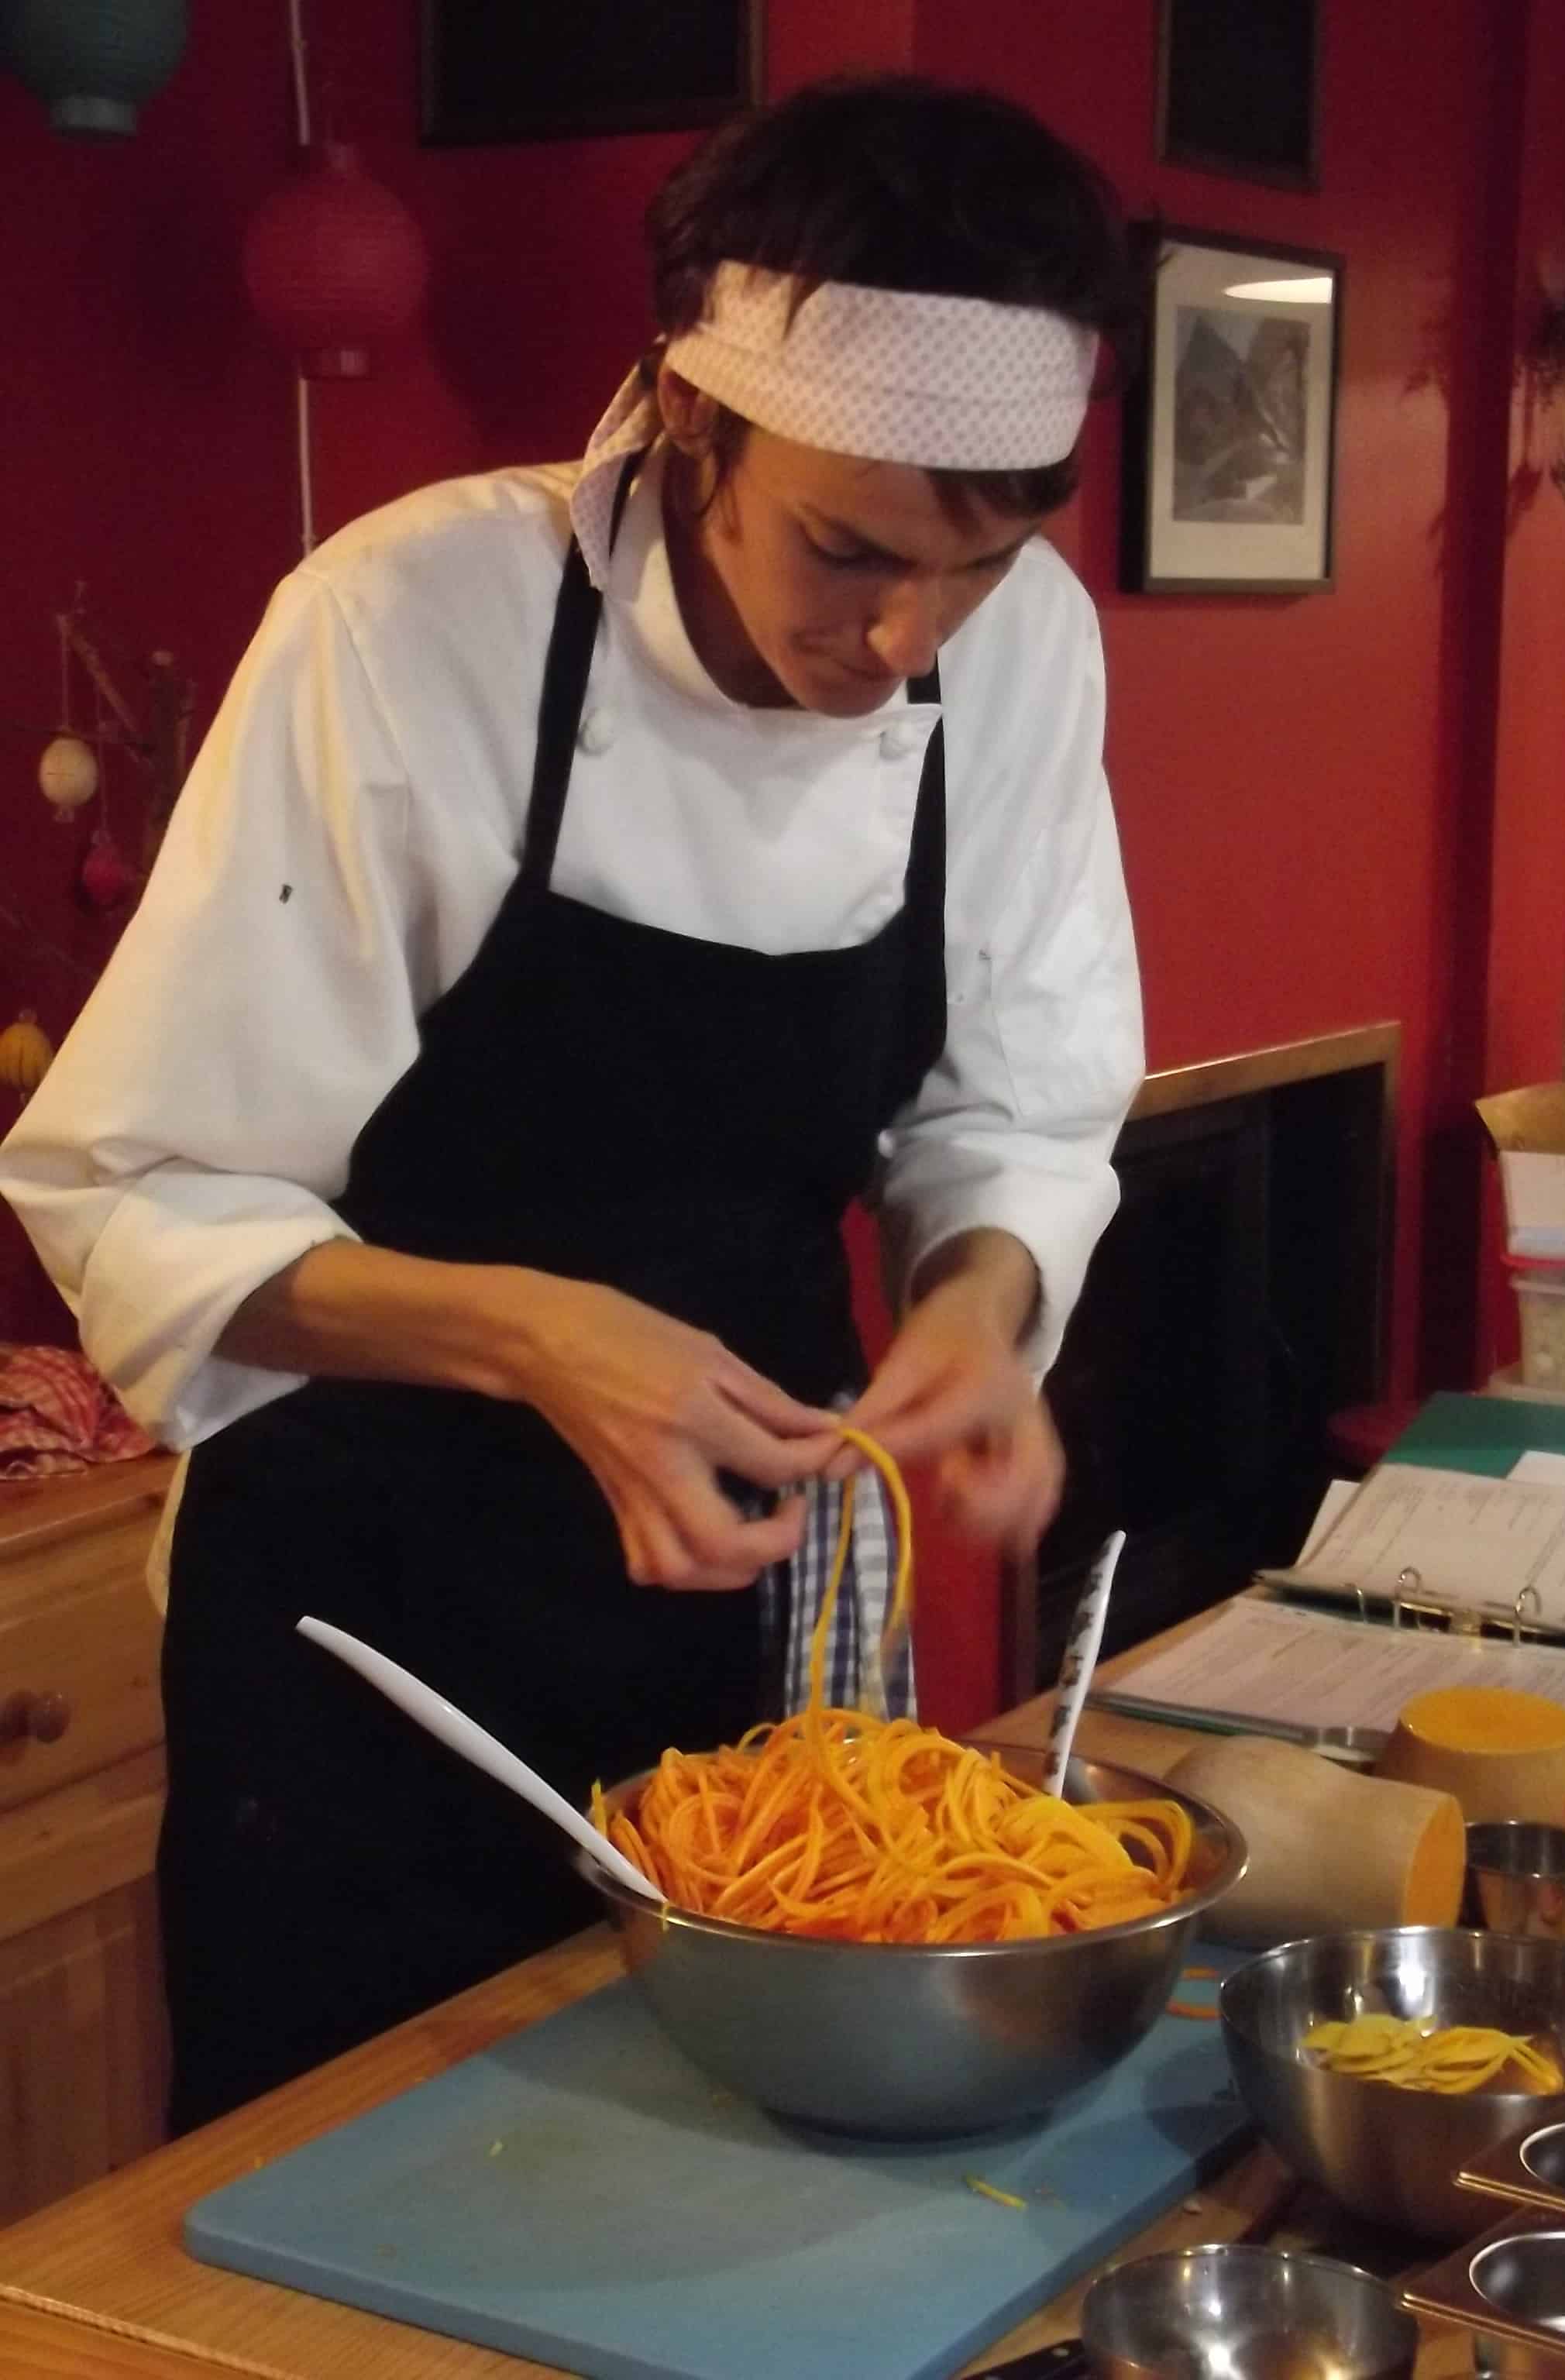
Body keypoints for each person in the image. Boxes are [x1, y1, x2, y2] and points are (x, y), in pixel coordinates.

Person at [0, 73, 1144, 2131]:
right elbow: (136, 1188)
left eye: (977, 566)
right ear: (692, 414)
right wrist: (539, 1336)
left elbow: (1021, 1107)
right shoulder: (412, 622)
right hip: (370, 1615)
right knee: (354, 2192)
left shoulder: (1024, 646)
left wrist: (979, 1309)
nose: (907, 638)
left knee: (747, 2171)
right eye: (848, 551)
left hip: (743, 1593)